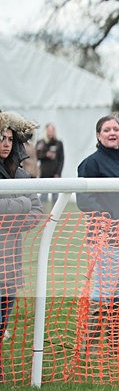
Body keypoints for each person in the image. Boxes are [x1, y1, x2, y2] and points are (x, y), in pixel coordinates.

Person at [76, 115, 119, 357]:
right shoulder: (91, 164)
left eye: (116, 129)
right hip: (106, 239)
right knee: (103, 292)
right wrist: (108, 218)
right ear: (98, 135)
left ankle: (116, 343)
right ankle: (91, 345)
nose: (112, 133)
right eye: (107, 130)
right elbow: (84, 199)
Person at [0, 112, 44, 349]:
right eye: (1, 138)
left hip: (10, 261)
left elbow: (36, 211)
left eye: (10, 138)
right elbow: (27, 205)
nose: (6, 143)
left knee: (4, 318)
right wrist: (20, 206)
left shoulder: (20, 173)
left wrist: (12, 220)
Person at [35, 123, 65, 203]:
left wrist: (58, 173)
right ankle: (42, 213)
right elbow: (36, 156)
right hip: (44, 173)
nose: (50, 133)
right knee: (43, 196)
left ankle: (55, 214)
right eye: (49, 130)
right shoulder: (41, 143)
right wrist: (45, 155)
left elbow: (61, 159)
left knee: (55, 197)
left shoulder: (58, 143)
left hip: (55, 173)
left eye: (52, 131)